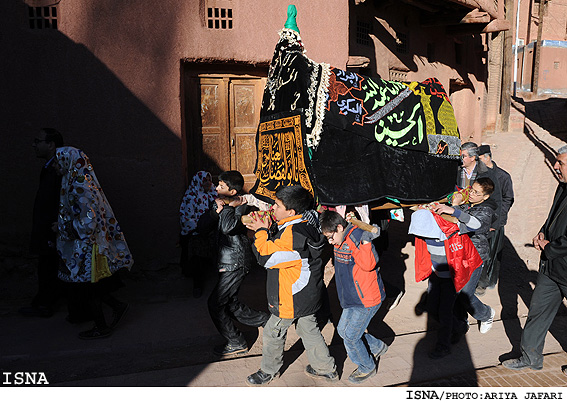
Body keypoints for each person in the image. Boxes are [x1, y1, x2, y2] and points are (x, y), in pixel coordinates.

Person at [244, 186, 337, 385]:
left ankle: (268, 371)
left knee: (273, 331)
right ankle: (326, 369)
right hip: (307, 292)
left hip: (291, 295)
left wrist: (260, 232)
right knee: (308, 329)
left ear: (291, 212)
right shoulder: (307, 221)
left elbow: (266, 257)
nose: (273, 209)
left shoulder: (292, 234)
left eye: (277, 205)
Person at [55, 146, 132, 339]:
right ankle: (116, 308)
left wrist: (62, 228)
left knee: (89, 288)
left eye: (58, 161)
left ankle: (102, 326)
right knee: (91, 287)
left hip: (88, 247)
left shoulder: (80, 186)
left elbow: (88, 223)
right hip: (91, 245)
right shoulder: (81, 181)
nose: (55, 166)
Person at [503, 146, 567, 371]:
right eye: (556, 162)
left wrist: (550, 247)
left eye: (561, 163)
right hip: (551, 269)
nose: (556, 167)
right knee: (538, 311)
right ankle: (530, 357)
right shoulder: (563, 187)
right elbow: (553, 218)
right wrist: (543, 232)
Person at [205, 170, 270, 357]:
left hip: (236, 261)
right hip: (226, 260)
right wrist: (214, 211)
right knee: (230, 303)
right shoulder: (222, 204)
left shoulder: (241, 205)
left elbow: (227, 227)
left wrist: (228, 208)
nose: (216, 188)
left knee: (215, 303)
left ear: (233, 192)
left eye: (221, 186)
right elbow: (202, 226)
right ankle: (267, 320)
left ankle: (236, 341)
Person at [320, 210, 388, 384]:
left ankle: (367, 367)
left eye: (330, 237)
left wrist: (365, 242)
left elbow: (369, 264)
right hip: (351, 298)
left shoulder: (358, 236)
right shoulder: (341, 237)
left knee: (350, 336)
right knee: (343, 331)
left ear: (340, 227)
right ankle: (377, 346)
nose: (330, 241)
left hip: (366, 298)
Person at [438, 178, 497, 341]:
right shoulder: (468, 204)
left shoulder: (485, 211)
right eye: (472, 190)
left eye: (477, 193)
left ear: (485, 197)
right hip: (458, 253)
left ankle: (485, 314)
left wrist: (455, 208)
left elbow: (468, 224)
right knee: (455, 290)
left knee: (465, 293)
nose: (471, 194)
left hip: (474, 256)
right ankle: (461, 324)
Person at [19, 128, 65, 318]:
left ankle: (45, 304)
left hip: (51, 228)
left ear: (51, 144)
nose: (34, 145)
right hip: (48, 227)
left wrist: (55, 224)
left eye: (38, 141)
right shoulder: (49, 167)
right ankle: (45, 301)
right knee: (47, 264)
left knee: (48, 265)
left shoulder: (57, 168)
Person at [476, 144, 514, 295]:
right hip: (481, 220)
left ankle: (486, 282)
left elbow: (508, 199)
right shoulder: (479, 174)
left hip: (495, 222)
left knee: (492, 252)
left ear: (487, 157)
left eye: (479, 159)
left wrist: (497, 220)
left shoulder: (502, 176)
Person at [179, 171, 217, 298]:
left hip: (210, 230)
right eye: (204, 181)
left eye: (209, 180)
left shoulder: (213, 193)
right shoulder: (191, 196)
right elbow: (187, 217)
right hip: (196, 232)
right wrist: (200, 227)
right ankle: (197, 286)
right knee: (197, 257)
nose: (207, 183)